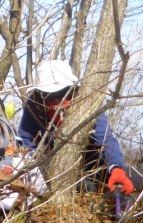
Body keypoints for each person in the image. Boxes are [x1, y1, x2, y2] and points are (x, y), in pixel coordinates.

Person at [18, 59, 135, 195]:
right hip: (52, 173)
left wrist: (116, 167)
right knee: (85, 188)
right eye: (49, 95)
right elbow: (26, 144)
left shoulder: (87, 106)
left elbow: (105, 140)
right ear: (39, 95)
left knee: (132, 179)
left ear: (74, 90)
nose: (57, 100)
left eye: (63, 92)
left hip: (93, 165)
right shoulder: (33, 109)